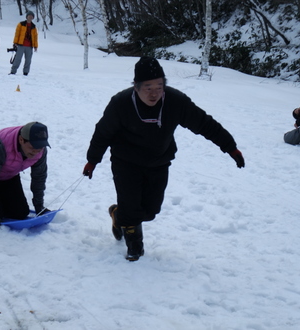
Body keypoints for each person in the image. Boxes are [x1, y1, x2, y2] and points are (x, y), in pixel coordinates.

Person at [82, 57, 245, 261]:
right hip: (126, 162)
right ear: (136, 87)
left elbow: (204, 124)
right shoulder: (121, 104)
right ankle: (135, 246)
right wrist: (92, 160)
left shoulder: (175, 102)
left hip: (158, 162)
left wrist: (230, 147)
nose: (154, 92)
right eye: (148, 87)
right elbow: (102, 133)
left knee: (150, 211)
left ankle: (117, 214)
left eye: (159, 86)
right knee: (132, 207)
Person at [9, 11, 38, 76]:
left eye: (32, 16)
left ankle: (25, 73)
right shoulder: (21, 24)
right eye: (29, 15)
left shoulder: (34, 27)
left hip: (30, 46)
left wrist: (35, 46)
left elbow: (35, 37)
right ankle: (13, 71)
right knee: (17, 59)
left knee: (28, 60)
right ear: (27, 16)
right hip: (21, 45)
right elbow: (17, 34)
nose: (30, 17)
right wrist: (15, 42)